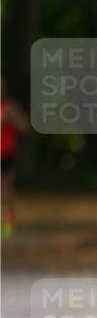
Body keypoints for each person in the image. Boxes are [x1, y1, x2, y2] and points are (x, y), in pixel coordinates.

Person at [1, 77, 30, 239]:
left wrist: (11, 121)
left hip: (6, 154)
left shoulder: (11, 107)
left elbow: (25, 126)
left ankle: (8, 221)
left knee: (7, 189)